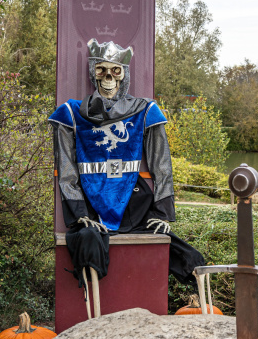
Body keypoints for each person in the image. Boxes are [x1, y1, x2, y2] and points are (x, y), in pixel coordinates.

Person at [48, 39, 204, 298]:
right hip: (90, 207)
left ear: (124, 75)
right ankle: (94, 309)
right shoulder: (71, 113)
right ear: (93, 72)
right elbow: (67, 171)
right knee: (88, 242)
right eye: (102, 70)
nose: (108, 77)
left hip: (134, 206)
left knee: (187, 257)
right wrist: (78, 213)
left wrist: (162, 212)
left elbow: (161, 165)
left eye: (115, 70)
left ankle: (201, 298)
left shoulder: (145, 110)